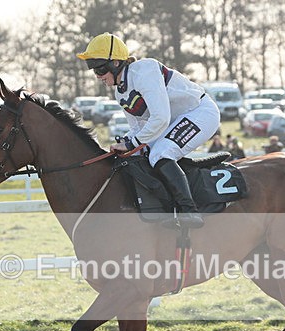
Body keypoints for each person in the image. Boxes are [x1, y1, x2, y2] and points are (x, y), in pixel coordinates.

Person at [77, 32, 219, 228]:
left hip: (200, 113)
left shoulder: (144, 71)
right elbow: (138, 128)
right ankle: (163, 208)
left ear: (116, 63)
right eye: (94, 71)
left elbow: (160, 118)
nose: (98, 76)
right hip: (175, 120)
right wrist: (123, 144)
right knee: (139, 154)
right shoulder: (121, 92)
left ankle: (189, 211)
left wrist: (131, 143)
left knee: (160, 153)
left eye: (100, 69)